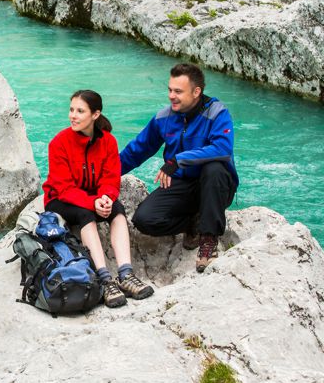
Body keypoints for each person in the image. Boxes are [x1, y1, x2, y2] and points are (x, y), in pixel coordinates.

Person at [119, 63, 239, 273]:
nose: (171, 96)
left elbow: (223, 149)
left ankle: (208, 239)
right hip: (182, 184)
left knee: (214, 168)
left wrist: (177, 160)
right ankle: (194, 223)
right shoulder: (163, 117)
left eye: (178, 91)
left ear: (196, 92)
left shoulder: (217, 113)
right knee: (144, 219)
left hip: (215, 186)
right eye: (170, 90)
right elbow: (136, 151)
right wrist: (103, 175)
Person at [43, 90, 154, 308]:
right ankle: (104, 279)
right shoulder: (59, 143)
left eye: (80, 111)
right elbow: (63, 187)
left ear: (95, 114)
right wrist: (92, 203)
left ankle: (126, 274)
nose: (73, 115)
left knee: (117, 210)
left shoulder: (108, 141)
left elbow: (110, 178)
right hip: (61, 199)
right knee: (85, 214)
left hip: (93, 196)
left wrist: (106, 198)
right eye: (71, 110)